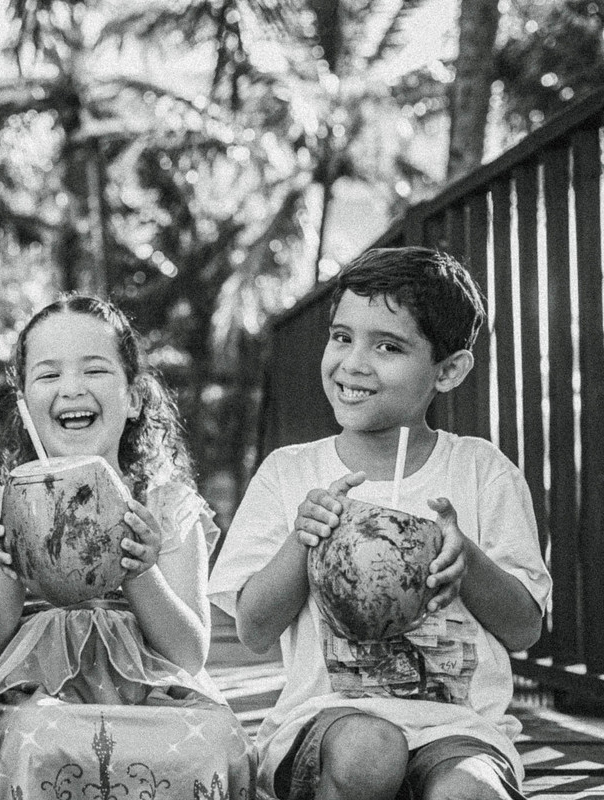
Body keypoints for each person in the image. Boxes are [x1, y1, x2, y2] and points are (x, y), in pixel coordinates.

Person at [209, 247, 551, 800]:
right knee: (372, 753)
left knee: (469, 793)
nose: (354, 363)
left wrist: (469, 564)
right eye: (342, 337)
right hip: (327, 722)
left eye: (388, 346)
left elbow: (524, 630)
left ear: (448, 370)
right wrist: (305, 541)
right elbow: (252, 630)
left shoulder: (482, 472)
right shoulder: (291, 473)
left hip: (459, 729)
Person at [0, 294, 256, 800]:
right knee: (37, 739)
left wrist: (142, 569)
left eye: (94, 370)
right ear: (26, 403)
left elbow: (189, 651)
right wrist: (11, 568)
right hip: (34, 695)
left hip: (154, 693)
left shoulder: (165, 506)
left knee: (213, 743)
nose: (71, 388)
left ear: (134, 397)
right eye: (48, 375)